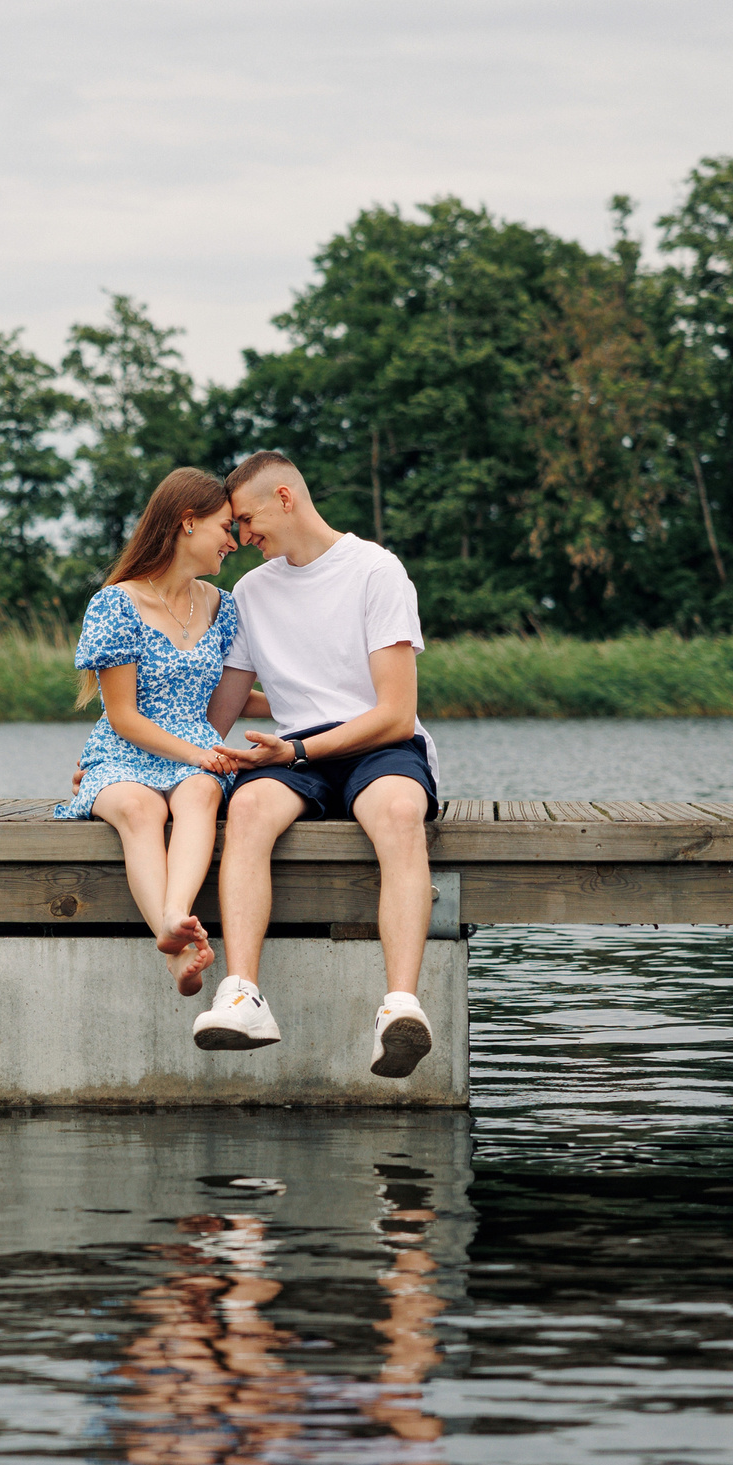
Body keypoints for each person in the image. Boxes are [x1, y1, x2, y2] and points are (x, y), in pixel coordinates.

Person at [191, 450, 440, 1077]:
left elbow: (395, 714)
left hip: (374, 744)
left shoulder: (376, 571)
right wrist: (122, 760)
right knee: (246, 807)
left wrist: (298, 749)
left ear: (285, 498)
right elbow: (218, 712)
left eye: (247, 520)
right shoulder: (250, 592)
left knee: (400, 811)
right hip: (291, 750)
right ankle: (242, 995)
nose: (244, 538)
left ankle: (400, 1007)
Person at [57, 467, 246, 997]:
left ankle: (173, 918)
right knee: (143, 809)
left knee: (202, 791)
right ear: (188, 522)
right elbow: (124, 716)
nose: (232, 541)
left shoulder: (222, 606)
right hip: (126, 749)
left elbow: (223, 697)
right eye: (225, 527)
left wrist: (309, 700)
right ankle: (179, 949)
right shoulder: (117, 604)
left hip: (194, 754)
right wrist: (199, 753)